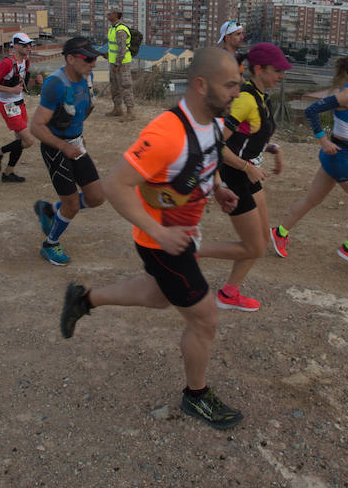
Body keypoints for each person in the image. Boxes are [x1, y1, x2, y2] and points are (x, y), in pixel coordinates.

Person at [59, 47, 244, 429]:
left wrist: (217, 188)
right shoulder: (166, 131)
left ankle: (84, 298)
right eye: (230, 85)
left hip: (180, 235)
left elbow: (200, 165)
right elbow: (115, 185)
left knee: (158, 296)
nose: (237, 93)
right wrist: (158, 231)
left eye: (239, 85)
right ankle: (196, 397)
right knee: (205, 319)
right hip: (162, 242)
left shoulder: (210, 121)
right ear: (200, 84)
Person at [270, 48, 348, 269]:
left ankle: (279, 232)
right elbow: (311, 111)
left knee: (312, 199)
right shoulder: (345, 95)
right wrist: (323, 140)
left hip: (342, 155)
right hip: (337, 156)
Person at [194, 43, 291, 312]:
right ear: (258, 69)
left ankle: (229, 292)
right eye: (277, 70)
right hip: (234, 175)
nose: (281, 76)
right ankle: (188, 253)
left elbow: (248, 137)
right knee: (255, 246)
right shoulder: (246, 99)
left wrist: (274, 149)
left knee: (258, 243)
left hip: (247, 174)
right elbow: (217, 144)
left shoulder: (260, 96)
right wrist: (246, 167)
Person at [29, 37, 107, 265]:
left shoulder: (86, 77)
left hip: (76, 144)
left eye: (95, 59)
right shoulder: (56, 84)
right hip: (57, 149)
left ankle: (50, 209)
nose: (93, 64)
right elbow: (35, 126)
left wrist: (79, 139)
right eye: (89, 59)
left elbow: (80, 113)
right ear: (70, 58)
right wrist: (64, 146)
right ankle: (50, 244)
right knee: (72, 204)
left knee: (96, 197)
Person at [0, 32, 42, 183]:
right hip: (7, 104)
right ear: (15, 46)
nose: (29, 47)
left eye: (30, 44)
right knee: (28, 141)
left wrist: (35, 83)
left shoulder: (26, 62)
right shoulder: (8, 63)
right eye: (25, 45)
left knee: (19, 141)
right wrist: (11, 90)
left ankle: (8, 173)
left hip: (19, 102)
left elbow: (22, 87)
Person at [105, 11, 135, 120]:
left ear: (116, 15)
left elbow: (122, 49)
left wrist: (117, 64)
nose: (108, 15)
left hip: (122, 63)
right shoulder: (113, 28)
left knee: (125, 86)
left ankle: (130, 112)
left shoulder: (120, 30)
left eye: (110, 14)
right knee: (115, 86)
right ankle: (117, 109)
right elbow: (113, 47)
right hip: (114, 62)